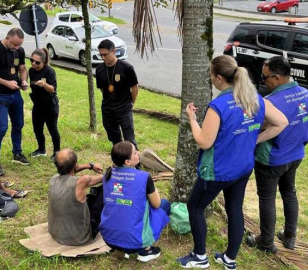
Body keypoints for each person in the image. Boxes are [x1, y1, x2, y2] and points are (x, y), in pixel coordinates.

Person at [176, 55, 288, 270]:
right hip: (243, 167)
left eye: (210, 75)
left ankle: (199, 256)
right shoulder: (254, 97)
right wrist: (254, 138)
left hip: (218, 171)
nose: (210, 78)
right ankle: (229, 259)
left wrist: (191, 119)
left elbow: (204, 142)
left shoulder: (218, 106)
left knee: (194, 207)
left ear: (219, 78)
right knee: (234, 209)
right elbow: (281, 122)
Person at [246, 56, 308, 252]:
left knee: (267, 198)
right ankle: (289, 237)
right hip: (296, 155)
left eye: (265, 78)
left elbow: (259, 128)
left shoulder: (270, 102)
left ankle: (266, 242)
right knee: (289, 193)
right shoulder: (306, 94)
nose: (263, 81)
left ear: (278, 77)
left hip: (272, 159)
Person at [99, 141, 170, 262]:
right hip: (135, 243)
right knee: (165, 205)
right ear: (127, 162)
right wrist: (154, 189)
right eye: (135, 152)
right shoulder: (144, 177)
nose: (138, 153)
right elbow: (156, 204)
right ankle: (145, 250)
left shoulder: (108, 174)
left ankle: (123, 245)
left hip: (108, 239)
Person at [0, 28, 30, 177]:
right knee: (1, 128)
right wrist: (6, 83)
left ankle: (17, 153)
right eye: (15, 44)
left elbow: (22, 68)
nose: (16, 48)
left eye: (19, 45)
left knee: (18, 125)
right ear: (7, 38)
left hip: (15, 95)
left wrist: (23, 80)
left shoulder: (19, 50)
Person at [48, 148, 104, 246]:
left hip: (55, 233)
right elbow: (105, 177)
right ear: (75, 165)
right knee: (103, 190)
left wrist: (90, 166)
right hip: (80, 238)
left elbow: (71, 170)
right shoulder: (81, 181)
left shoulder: (53, 180)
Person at [96, 40, 139, 148]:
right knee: (115, 139)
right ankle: (120, 162)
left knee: (129, 140)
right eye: (101, 54)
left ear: (114, 51)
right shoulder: (99, 69)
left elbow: (134, 88)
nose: (103, 58)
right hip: (107, 110)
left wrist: (131, 103)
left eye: (105, 54)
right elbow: (102, 89)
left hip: (124, 109)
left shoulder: (127, 68)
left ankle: (135, 164)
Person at [28, 48, 60, 159]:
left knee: (52, 129)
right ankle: (41, 149)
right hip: (37, 104)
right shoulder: (31, 71)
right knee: (37, 128)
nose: (33, 63)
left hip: (50, 105)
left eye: (37, 62)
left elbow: (53, 89)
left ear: (44, 62)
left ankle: (57, 152)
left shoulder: (49, 71)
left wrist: (45, 84)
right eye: (31, 60)